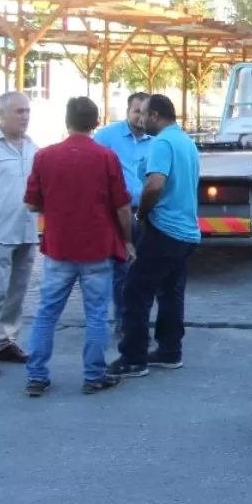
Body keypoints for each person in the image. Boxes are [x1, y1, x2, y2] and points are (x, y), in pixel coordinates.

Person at [22, 97, 135, 396]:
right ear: (96, 122)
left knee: (47, 312)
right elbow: (122, 207)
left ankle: (36, 376)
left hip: (58, 247)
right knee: (97, 314)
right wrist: (127, 240)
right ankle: (94, 375)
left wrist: (57, 209)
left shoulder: (45, 156)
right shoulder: (106, 157)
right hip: (97, 247)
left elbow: (32, 202)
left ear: (67, 121)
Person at [108, 95, 201, 379]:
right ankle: (170, 351)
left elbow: (154, 185)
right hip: (187, 232)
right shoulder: (185, 141)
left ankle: (134, 357)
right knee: (171, 292)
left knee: (135, 290)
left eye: (145, 114)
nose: (140, 119)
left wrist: (141, 215)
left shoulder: (162, 142)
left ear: (155, 116)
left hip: (166, 229)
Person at [93, 91, 152, 336]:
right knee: (122, 270)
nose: (141, 117)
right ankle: (124, 321)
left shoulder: (158, 139)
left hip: (148, 213)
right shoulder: (106, 137)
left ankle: (139, 320)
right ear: (128, 111)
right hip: (117, 214)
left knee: (145, 270)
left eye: (145, 112)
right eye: (136, 111)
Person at [0, 91, 39, 377]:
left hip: (27, 230)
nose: (25, 117)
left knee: (17, 291)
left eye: (27, 111)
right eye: (19, 112)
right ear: (2, 115)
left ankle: (5, 341)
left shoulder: (33, 147)